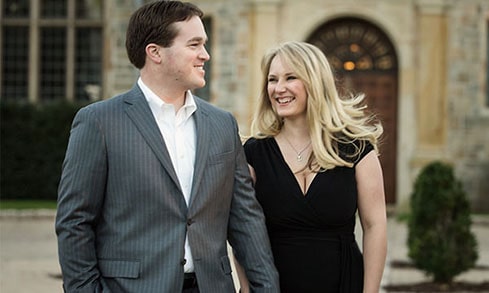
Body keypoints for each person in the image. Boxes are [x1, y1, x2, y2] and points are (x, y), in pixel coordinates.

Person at [55, 1, 279, 292]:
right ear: (155, 52)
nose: (205, 55)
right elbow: (74, 222)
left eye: (205, 44)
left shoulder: (222, 124)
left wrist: (266, 288)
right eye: (194, 44)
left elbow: (245, 219)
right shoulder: (98, 122)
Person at [237, 41, 387, 293]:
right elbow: (240, 230)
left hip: (343, 283)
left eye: (290, 77)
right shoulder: (252, 153)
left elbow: (375, 226)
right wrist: (246, 289)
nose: (278, 88)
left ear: (315, 83)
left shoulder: (357, 150)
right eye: (272, 80)